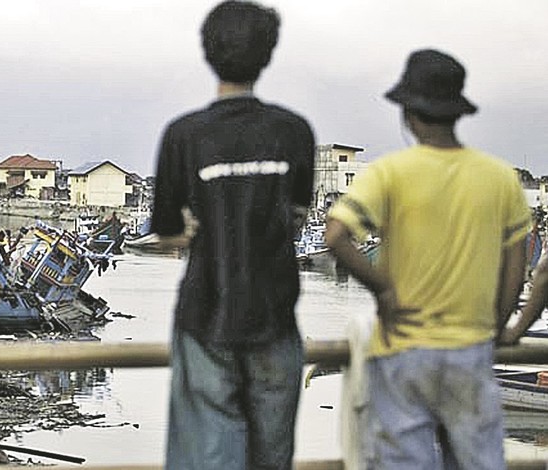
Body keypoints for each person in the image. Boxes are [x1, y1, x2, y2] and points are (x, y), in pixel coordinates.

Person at [325, 49, 531, 469]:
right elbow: (517, 263)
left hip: (403, 348)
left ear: (408, 114)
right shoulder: (498, 178)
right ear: (458, 112)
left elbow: (336, 235)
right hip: (470, 350)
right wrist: (498, 322)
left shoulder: (390, 172)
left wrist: (384, 290)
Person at [150, 2, 315, 468]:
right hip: (276, 319)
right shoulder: (294, 131)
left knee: (209, 455)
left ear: (207, 52)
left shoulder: (183, 135)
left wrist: (193, 229)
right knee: (272, 456)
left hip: (206, 316)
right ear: (268, 55)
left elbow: (166, 232)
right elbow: (297, 217)